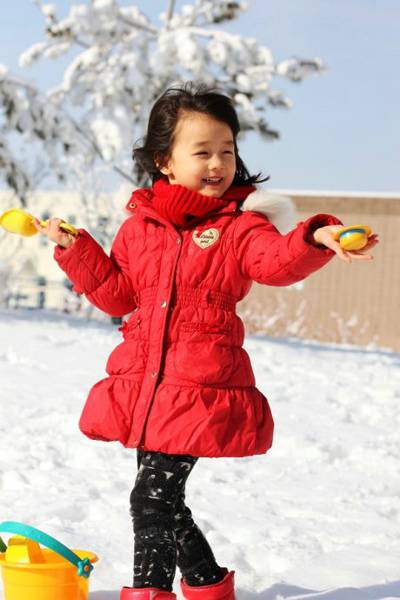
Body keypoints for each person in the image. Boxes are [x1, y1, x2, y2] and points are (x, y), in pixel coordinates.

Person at [33, 82, 379, 600]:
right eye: (202, 152)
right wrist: (78, 249)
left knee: (149, 501)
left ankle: (150, 593)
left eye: (227, 150)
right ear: (164, 161)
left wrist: (313, 238)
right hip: (147, 385)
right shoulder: (138, 230)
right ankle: (208, 583)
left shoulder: (240, 227)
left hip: (198, 386)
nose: (217, 163)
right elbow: (119, 296)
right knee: (164, 502)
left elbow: (275, 262)